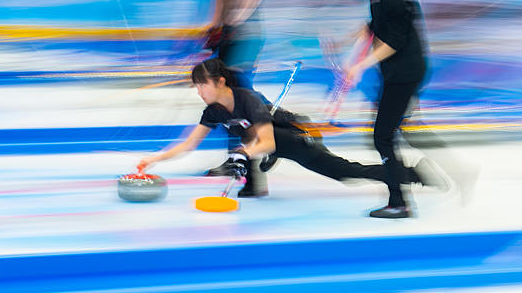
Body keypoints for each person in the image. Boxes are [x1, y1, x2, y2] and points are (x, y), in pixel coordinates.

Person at [138, 58, 439, 198]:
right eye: (196, 86)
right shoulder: (214, 110)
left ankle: (414, 173)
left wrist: (244, 153)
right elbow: (188, 143)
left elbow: (267, 141)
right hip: (267, 143)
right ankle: (254, 185)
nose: (198, 90)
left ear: (219, 82)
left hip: (293, 138)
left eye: (201, 84)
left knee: (347, 172)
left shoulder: (247, 100)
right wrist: (154, 159)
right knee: (242, 149)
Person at [171, 0, 266, 177]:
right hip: (230, 34)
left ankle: (269, 141)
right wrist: (212, 28)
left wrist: (235, 23)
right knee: (228, 101)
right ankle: (239, 156)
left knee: (239, 99)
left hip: (246, 37)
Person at [344, 0, 429, 219]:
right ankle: (421, 175)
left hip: (403, 70)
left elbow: (394, 37)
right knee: (391, 131)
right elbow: (383, 20)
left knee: (383, 136)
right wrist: (355, 35)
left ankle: (400, 202)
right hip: (401, 69)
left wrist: (360, 65)